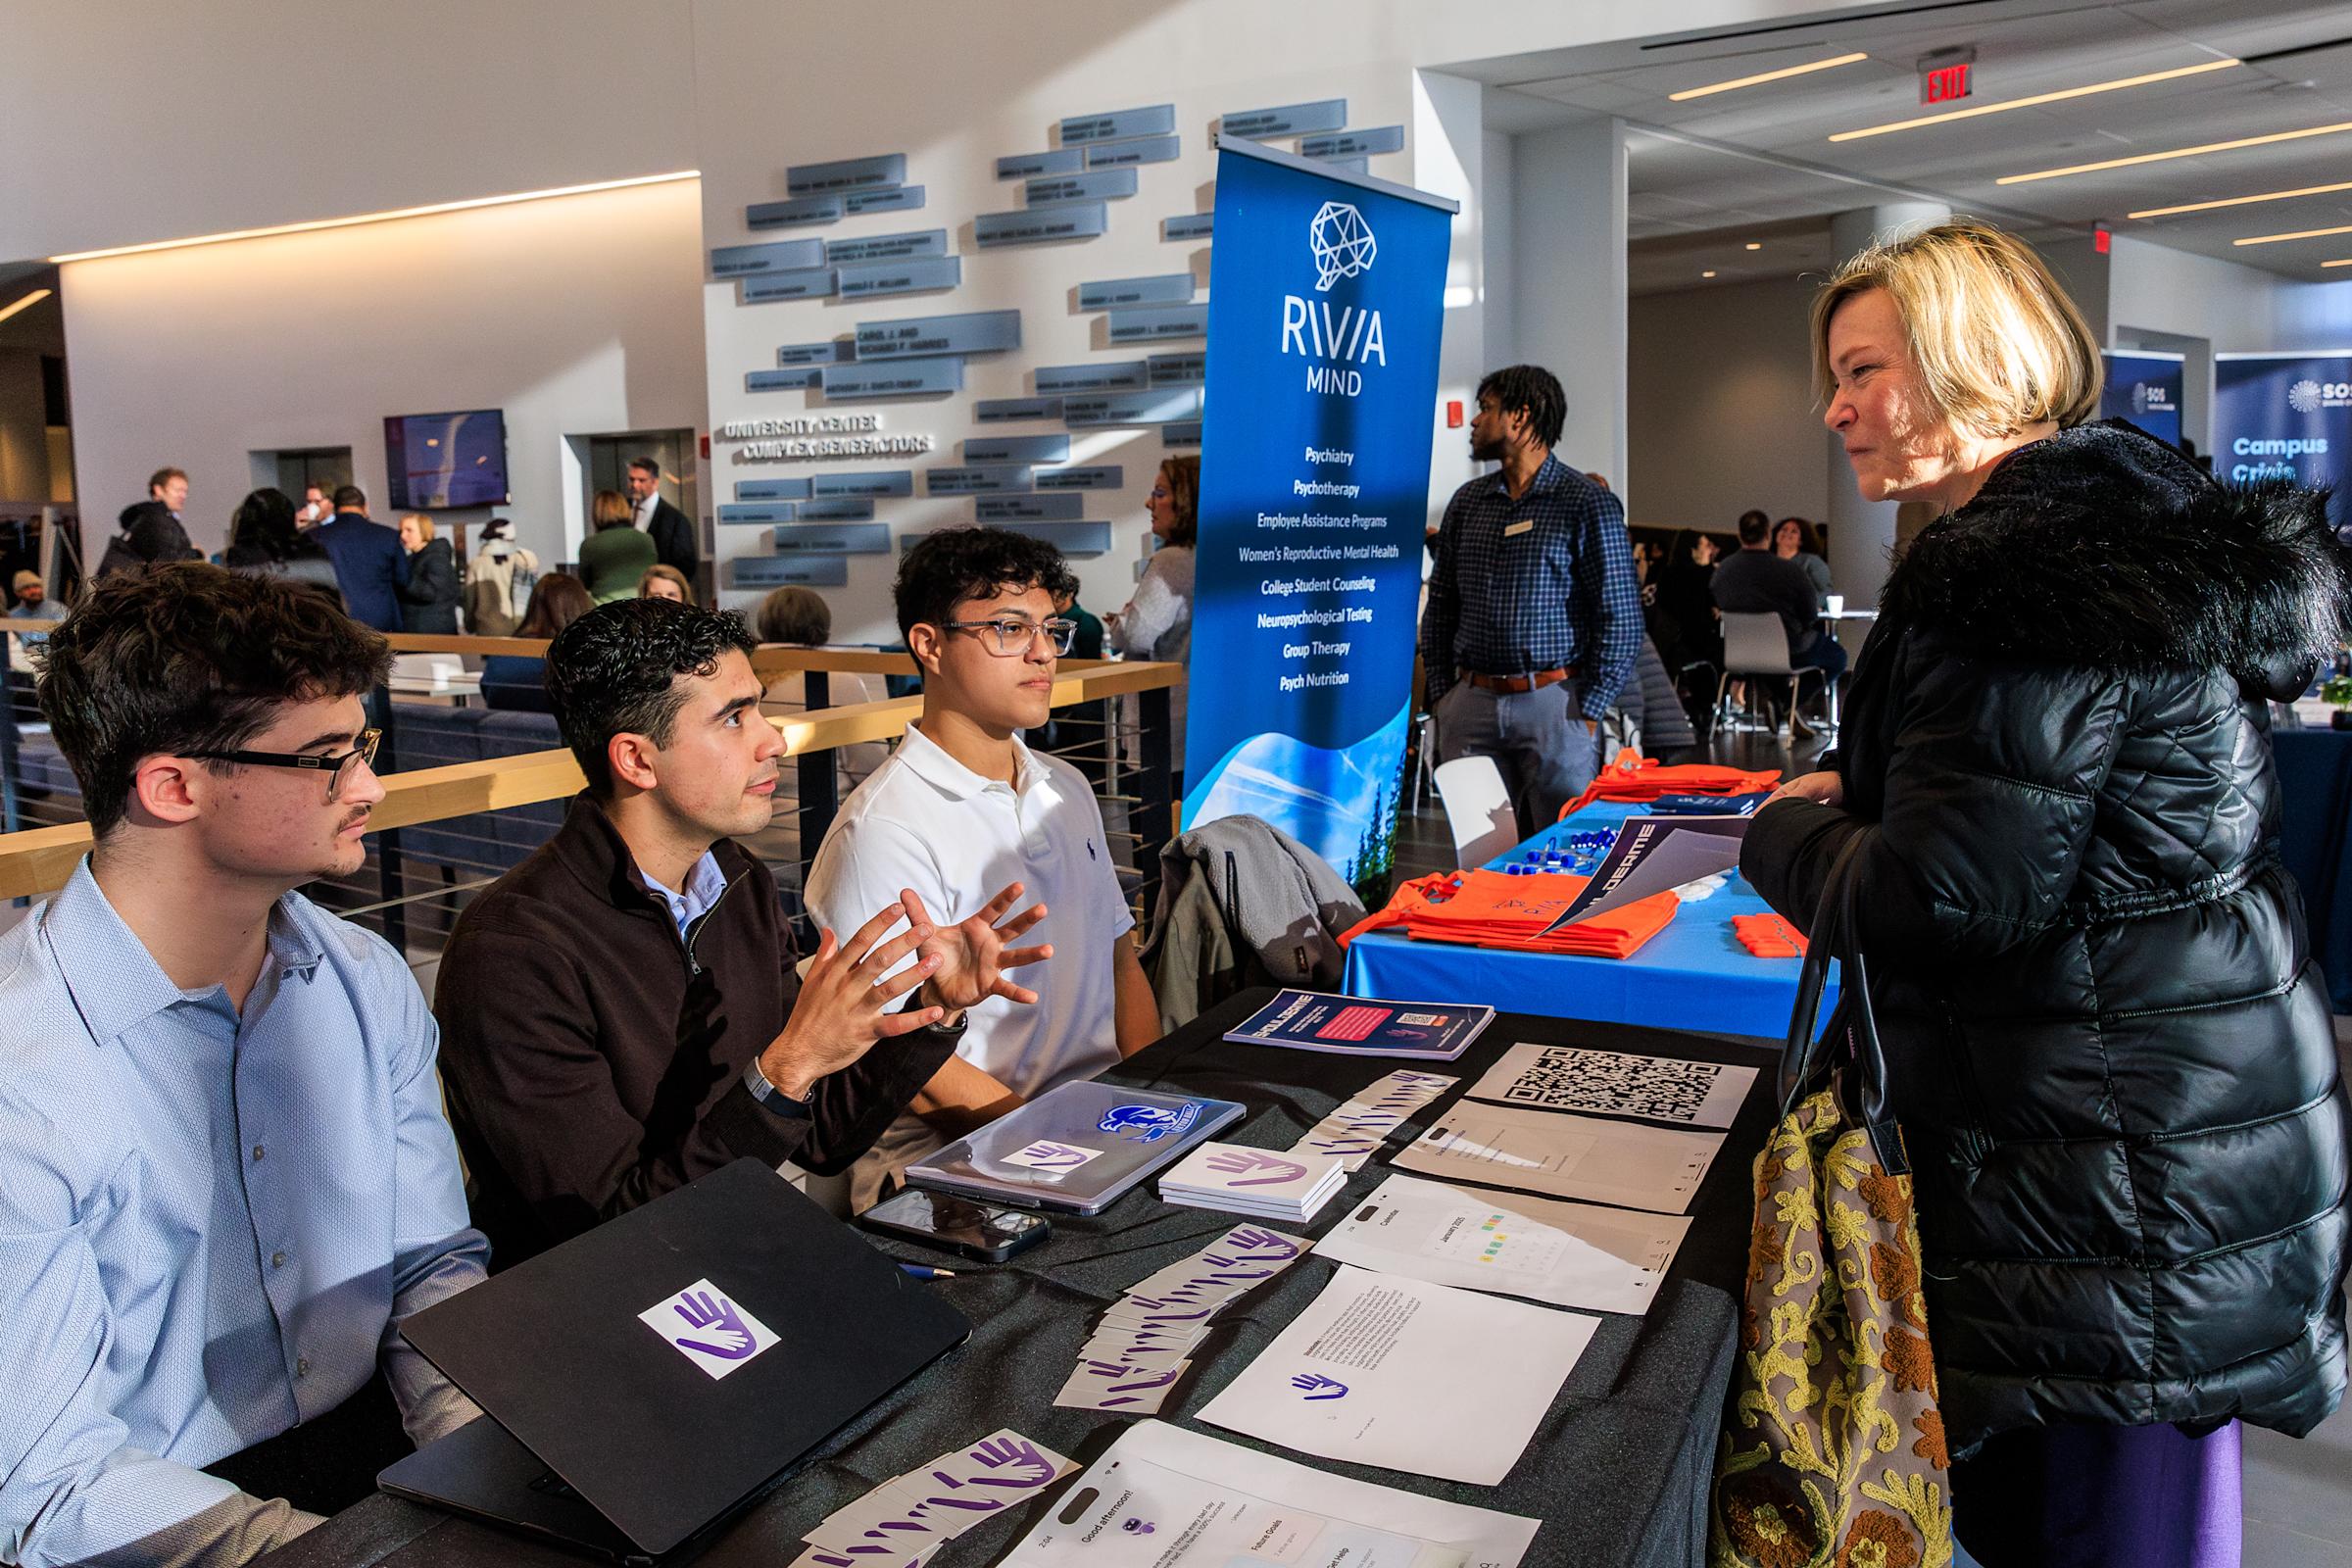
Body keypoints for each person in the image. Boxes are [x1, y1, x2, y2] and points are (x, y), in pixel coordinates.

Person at [1740, 219, 2350, 1568]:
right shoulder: (2116, 531)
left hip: (2104, 1179)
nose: (1835, 406)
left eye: (1864, 370)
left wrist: (1780, 834)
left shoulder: (2012, 582)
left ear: (1973, 361)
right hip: (2157, 1142)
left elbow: (1945, 896)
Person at [0, 565, 488, 1563]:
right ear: (172, 786)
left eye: (365, 746)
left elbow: (429, 1266)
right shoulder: (25, 1069)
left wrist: (486, 1474)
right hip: (146, 1521)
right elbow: (50, 1480)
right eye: (325, 760)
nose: (370, 788)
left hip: (380, 1449)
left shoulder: (365, 976)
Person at [431, 597, 1049, 1264]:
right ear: (637, 761)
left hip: (737, 1261)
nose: (772, 740)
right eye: (733, 718)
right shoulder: (511, 951)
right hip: (598, 1317)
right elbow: (614, 1235)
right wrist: (787, 1067)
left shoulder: (736, 881)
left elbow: (821, 1140)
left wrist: (932, 1011)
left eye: (757, 706)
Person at [807, 527, 1161, 1210]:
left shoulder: (1067, 786)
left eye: (1049, 628)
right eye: (1007, 627)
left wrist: (1147, 1108)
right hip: (955, 1165)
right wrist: (1076, 1155)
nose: (1042, 652)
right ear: (929, 645)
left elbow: (1122, 965)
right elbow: (913, 1068)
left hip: (1099, 1134)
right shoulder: (883, 826)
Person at [1421, 364, 1641, 836]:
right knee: (1479, 862)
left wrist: (1588, 711)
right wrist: (1444, 697)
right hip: (1471, 706)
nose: (1475, 421)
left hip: (1555, 705)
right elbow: (1440, 606)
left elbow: (1620, 616)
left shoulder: (1585, 502)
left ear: (1520, 419)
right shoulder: (1467, 502)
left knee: (1562, 856)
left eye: (1486, 409)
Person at [1710, 509, 1844, 719]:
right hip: (1786, 649)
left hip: (1737, 651)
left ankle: (1781, 706)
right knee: (1837, 657)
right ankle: (1786, 703)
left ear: (1739, 534)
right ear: (1768, 535)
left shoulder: (1723, 570)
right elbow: (1809, 614)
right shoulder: (1789, 571)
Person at [1106, 456, 1197, 739]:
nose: (1149, 503)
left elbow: (1135, 636)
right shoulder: (1213, 557)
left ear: (1187, 501)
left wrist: (1123, 620)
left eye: (1160, 494)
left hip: (1165, 720)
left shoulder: (1172, 560)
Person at [479, 571, 591, 712]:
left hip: (500, 733)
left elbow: (488, 695)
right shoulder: (582, 661)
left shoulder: (500, 656)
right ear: (579, 606)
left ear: (532, 605)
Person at [225, 486, 343, 608]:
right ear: (289, 515)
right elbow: (332, 598)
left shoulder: (243, 555)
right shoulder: (313, 549)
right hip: (320, 621)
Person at [313, 485, 407, 633]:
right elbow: (403, 579)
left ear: (335, 508)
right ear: (365, 507)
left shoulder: (315, 536)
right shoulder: (388, 536)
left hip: (334, 622)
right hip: (380, 621)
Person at [1654, 527, 1724, 672]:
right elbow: (1698, 613)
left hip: (1669, 640)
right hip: (1693, 641)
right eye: (1705, 546)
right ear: (1693, 551)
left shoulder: (1668, 573)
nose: (1710, 550)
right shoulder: (1700, 577)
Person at [577, 488, 657, 604]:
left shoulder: (589, 545)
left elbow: (585, 583)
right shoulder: (646, 540)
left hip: (604, 607)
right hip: (643, 605)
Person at [624, 456, 699, 577]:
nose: (635, 485)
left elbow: (686, 566)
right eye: (631, 479)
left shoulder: (675, 520)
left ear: (655, 482)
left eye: (641, 480)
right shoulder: (620, 509)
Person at [463, 516, 538, 636]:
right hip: (520, 627)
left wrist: (469, 625)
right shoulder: (525, 559)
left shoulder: (476, 563)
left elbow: (469, 600)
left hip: (487, 630)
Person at [393, 514, 461, 635]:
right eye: (401, 530)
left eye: (409, 530)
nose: (403, 535)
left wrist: (402, 577)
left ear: (424, 531)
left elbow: (430, 592)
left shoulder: (437, 558)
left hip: (431, 635)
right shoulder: (413, 558)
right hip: (421, 631)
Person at [1773, 514, 1833, 605]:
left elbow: (1828, 591)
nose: (1786, 533)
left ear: (1801, 541)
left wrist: (1811, 605)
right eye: (1784, 529)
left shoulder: (1811, 561)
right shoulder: (1766, 560)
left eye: (1794, 531)